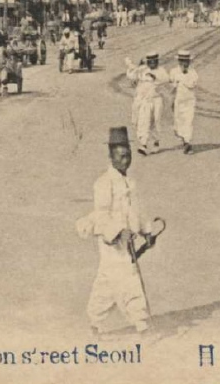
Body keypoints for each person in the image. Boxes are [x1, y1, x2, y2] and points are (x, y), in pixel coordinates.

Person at [78, 127, 160, 335]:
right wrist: (118, 232)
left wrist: (147, 232)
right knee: (129, 279)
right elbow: (101, 215)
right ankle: (143, 326)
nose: (126, 161)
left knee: (107, 283)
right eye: (121, 157)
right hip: (111, 243)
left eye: (129, 156)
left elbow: (136, 211)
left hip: (127, 241)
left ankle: (94, 322)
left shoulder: (130, 182)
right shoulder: (103, 184)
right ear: (111, 157)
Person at [126, 53, 169, 156]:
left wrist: (155, 77)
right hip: (143, 100)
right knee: (143, 121)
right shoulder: (143, 69)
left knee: (155, 121)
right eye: (150, 61)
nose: (152, 63)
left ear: (157, 61)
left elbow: (166, 79)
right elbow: (131, 76)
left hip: (156, 100)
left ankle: (156, 142)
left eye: (154, 61)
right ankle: (143, 144)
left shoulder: (161, 71)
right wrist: (135, 67)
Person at [167, 51, 199, 154]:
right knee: (178, 122)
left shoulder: (193, 72)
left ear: (189, 62)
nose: (184, 63)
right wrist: (171, 99)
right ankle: (183, 138)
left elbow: (192, 84)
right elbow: (172, 84)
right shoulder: (173, 71)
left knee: (188, 121)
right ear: (179, 61)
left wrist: (182, 77)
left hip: (189, 100)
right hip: (178, 100)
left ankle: (187, 143)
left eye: (186, 61)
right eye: (182, 61)